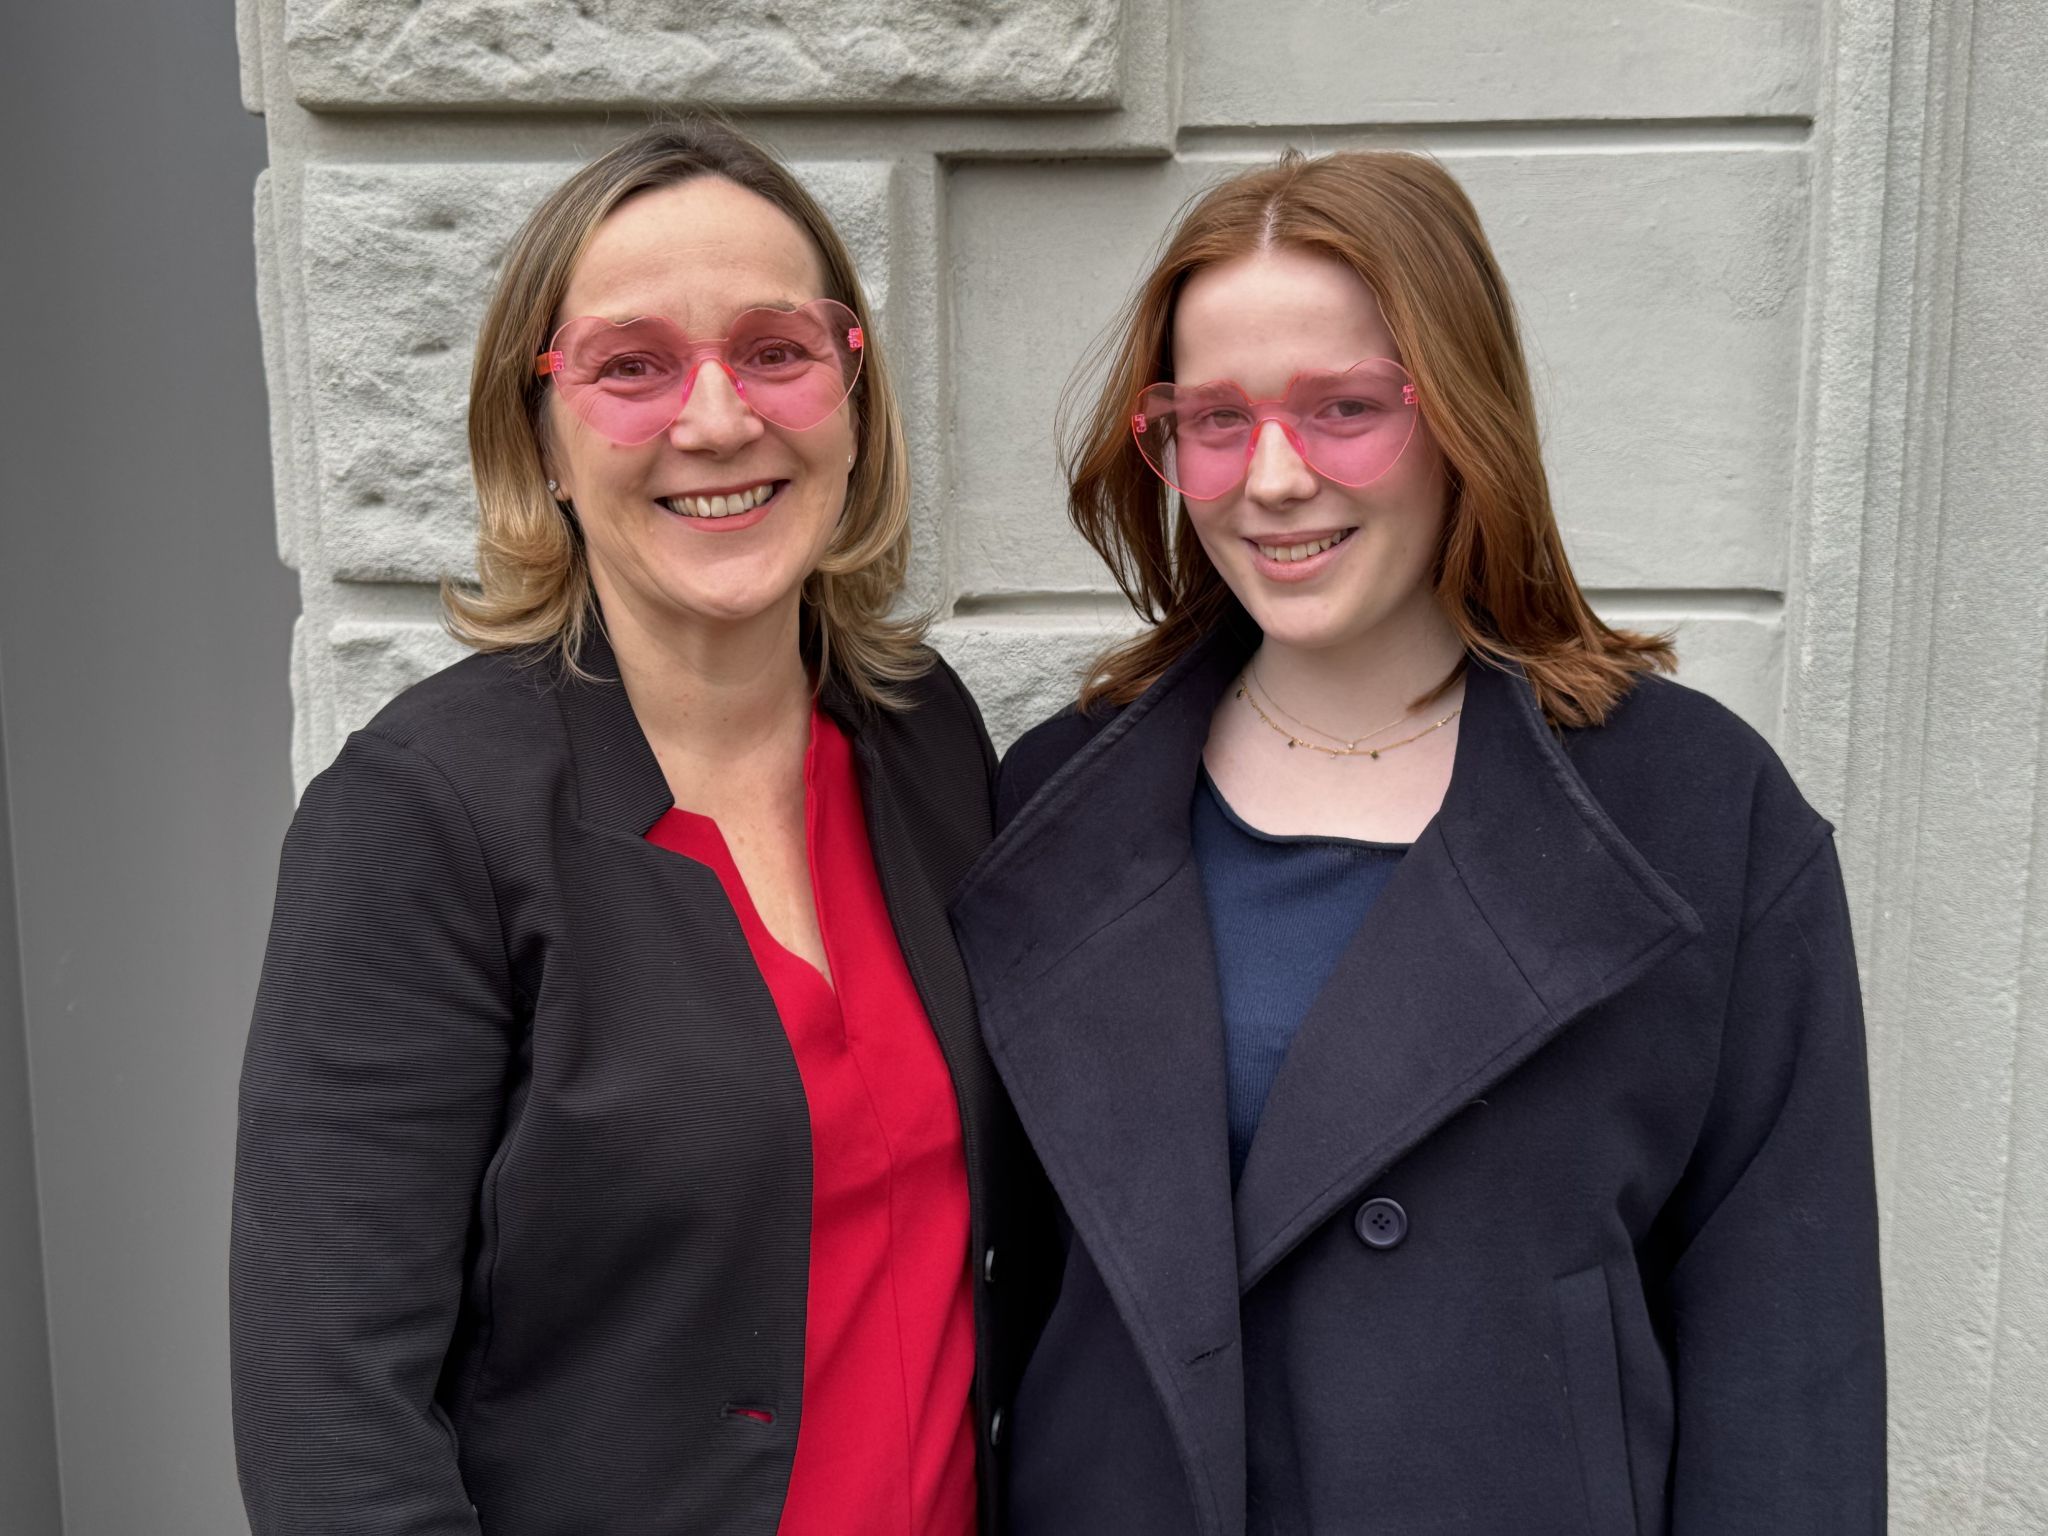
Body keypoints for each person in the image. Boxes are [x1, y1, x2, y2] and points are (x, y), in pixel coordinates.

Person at [949, 149, 1884, 1535]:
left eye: (1344, 408)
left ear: (1463, 416)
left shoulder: (1695, 814)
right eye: (1214, 418)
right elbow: (998, 1304)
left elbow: (1789, 1379)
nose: (1273, 477)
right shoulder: (1056, 798)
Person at [232, 116, 1049, 1536]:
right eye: (632, 367)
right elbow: (334, 1418)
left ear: (853, 398)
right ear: (539, 435)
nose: (718, 419)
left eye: (777, 350)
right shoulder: (424, 818)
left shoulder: (920, 740)